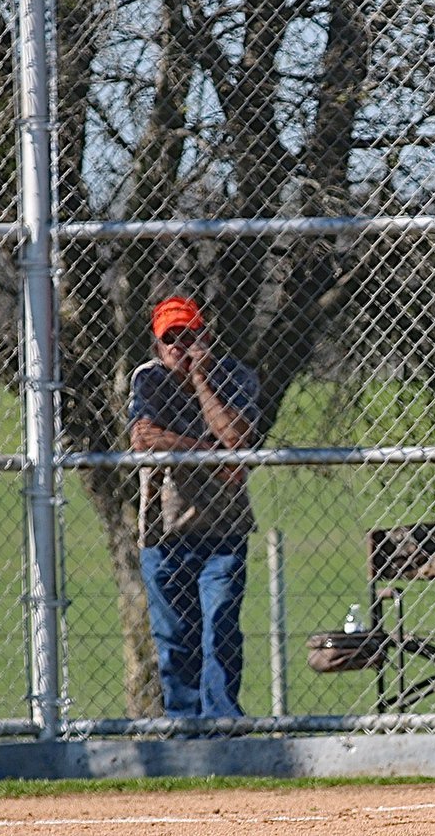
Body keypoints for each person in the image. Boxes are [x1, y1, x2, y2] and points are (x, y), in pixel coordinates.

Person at [129, 295, 262, 718]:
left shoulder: (233, 376)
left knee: (219, 629)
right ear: (157, 346)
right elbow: (144, 438)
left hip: (224, 530)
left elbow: (236, 437)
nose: (180, 347)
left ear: (205, 337)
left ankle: (222, 723)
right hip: (164, 530)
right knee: (174, 638)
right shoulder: (149, 378)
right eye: (171, 340)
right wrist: (212, 455)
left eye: (189, 336)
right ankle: (185, 727)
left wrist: (202, 380)